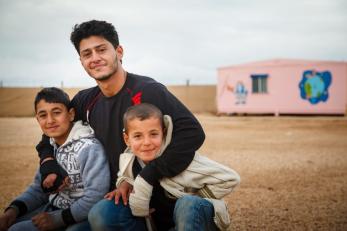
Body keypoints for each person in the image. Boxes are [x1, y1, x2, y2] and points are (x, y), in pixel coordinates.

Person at [35, 20, 206, 230]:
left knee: (188, 214)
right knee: (95, 218)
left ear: (119, 51)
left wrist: (147, 176)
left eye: (101, 50)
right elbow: (54, 129)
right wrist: (48, 162)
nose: (95, 58)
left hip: (166, 195)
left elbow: (192, 133)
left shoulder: (149, 91)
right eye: (87, 54)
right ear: (81, 61)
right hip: (121, 201)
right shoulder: (85, 100)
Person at [114, 103, 240, 230]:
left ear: (162, 133)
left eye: (153, 134)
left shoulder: (181, 161)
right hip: (164, 224)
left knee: (188, 203)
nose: (146, 142)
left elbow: (230, 178)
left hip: (197, 220)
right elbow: (124, 175)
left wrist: (198, 196)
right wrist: (123, 183)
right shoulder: (129, 160)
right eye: (137, 136)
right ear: (127, 139)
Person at [0, 87, 110, 231]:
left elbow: (96, 196)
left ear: (71, 114)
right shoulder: (51, 148)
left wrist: (57, 219)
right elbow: (39, 190)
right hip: (52, 208)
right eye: (43, 115)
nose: (50, 120)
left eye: (57, 113)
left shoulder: (89, 148)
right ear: (37, 119)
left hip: (79, 216)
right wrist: (13, 210)